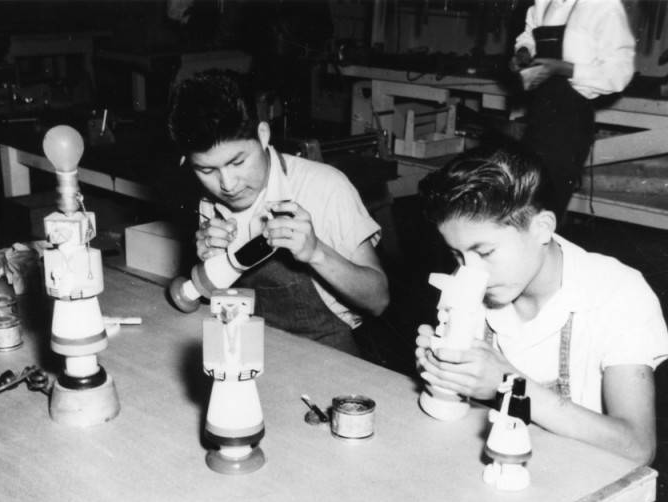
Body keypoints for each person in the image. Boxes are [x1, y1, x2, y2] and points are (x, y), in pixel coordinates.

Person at [415, 142, 668, 465]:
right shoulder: (471, 281)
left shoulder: (618, 293)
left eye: (485, 252)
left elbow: (637, 447)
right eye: (458, 254)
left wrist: (509, 384)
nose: (469, 271)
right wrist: (446, 377)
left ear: (541, 228)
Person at [167, 70, 389, 356]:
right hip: (255, 349)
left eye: (238, 162)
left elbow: (379, 299)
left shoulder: (324, 187)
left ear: (262, 135)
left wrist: (316, 253)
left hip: (330, 356)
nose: (227, 184)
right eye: (207, 170)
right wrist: (210, 264)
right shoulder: (210, 202)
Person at [510, 0, 635, 222]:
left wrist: (562, 68)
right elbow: (529, 35)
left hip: (571, 120)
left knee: (547, 207)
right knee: (523, 201)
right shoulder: (544, 3)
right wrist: (523, 53)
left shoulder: (605, 6)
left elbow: (619, 73)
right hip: (540, 113)